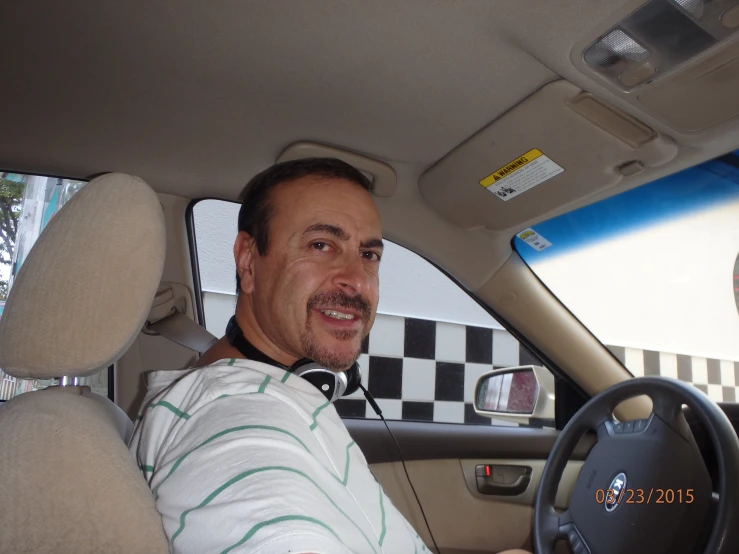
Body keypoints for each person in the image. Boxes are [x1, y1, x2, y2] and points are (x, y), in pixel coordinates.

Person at [129, 157, 532, 554]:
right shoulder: (238, 425)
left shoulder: (257, 397)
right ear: (248, 261)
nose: (357, 280)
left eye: (369, 255)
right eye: (321, 245)